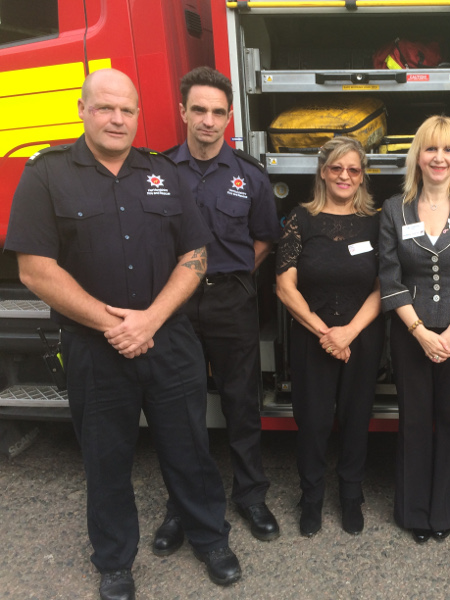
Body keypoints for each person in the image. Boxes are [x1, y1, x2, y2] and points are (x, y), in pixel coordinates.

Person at [5, 69, 241, 600]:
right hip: (94, 347)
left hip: (170, 338)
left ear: (139, 115)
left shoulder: (166, 173)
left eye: (127, 110)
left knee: (190, 448)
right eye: (105, 108)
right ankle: (114, 561)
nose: (117, 119)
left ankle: (210, 539)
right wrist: (116, 325)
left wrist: (150, 319)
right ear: (83, 110)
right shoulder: (46, 174)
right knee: (106, 456)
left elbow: (196, 256)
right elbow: (35, 270)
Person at [150, 66, 281, 554]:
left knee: (241, 403)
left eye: (217, 112)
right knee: (178, 410)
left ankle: (250, 496)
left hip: (231, 299)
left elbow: (266, 235)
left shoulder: (249, 176)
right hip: (175, 302)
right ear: (182, 112)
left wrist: (235, 273)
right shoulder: (156, 172)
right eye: (199, 110)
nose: (208, 120)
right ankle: (181, 507)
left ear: (229, 118)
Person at [379, 115, 450, 543]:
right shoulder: (395, 208)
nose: (439, 158)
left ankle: (444, 509)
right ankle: (413, 512)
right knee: (413, 420)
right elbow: (390, 280)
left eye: (448, 150)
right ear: (418, 156)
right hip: (411, 335)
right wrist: (422, 332)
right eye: (431, 149)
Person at [275, 137, 383, 537]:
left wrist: (349, 333)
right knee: (313, 421)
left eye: (353, 169)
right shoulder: (300, 219)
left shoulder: (375, 222)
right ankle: (312, 496)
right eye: (337, 168)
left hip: (362, 339)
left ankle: (351, 494)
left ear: (361, 176)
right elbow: (285, 286)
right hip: (312, 338)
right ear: (323, 172)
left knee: (356, 419)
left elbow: (383, 286)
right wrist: (325, 332)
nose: (345, 176)